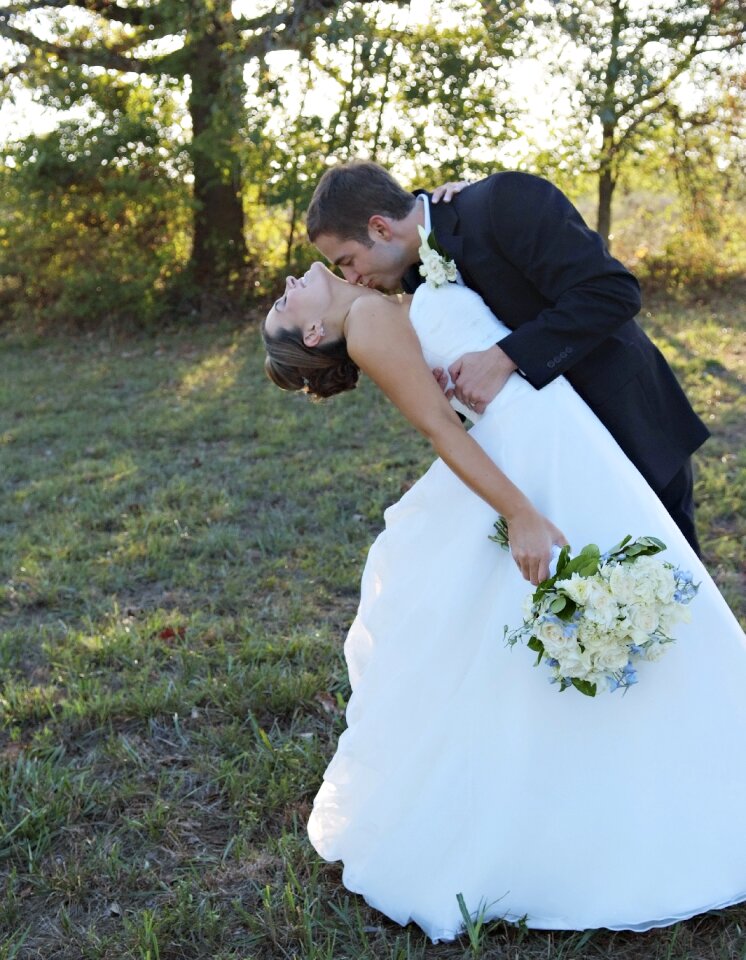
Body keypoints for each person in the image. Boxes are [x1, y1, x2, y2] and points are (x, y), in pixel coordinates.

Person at [262, 260, 746, 941]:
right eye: (284, 306)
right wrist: (519, 511)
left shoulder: (385, 299)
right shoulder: (367, 322)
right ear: (315, 333)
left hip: (555, 437)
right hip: (529, 457)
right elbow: (442, 427)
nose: (286, 287)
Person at [305, 160, 710, 555]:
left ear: (379, 226)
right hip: (553, 463)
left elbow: (611, 291)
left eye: (347, 262)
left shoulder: (505, 200)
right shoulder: (414, 276)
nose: (352, 279)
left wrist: (505, 357)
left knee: (678, 585)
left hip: (629, 425)